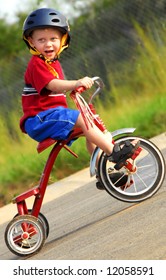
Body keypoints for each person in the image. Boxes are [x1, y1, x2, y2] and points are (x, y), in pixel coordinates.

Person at [20, 8, 139, 189]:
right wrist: (76, 83)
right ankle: (115, 153)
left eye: (53, 39)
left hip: (50, 116)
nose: (48, 44)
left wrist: (75, 87)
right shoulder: (37, 64)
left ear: (63, 40)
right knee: (83, 120)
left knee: (90, 131)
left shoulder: (53, 63)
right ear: (31, 42)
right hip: (39, 119)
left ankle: (104, 174)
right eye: (41, 40)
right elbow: (53, 84)